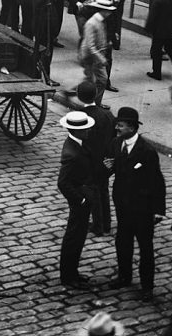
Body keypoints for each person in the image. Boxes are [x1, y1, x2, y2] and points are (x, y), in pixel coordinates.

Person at [106, 106, 166, 301]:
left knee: (145, 247)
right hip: (123, 205)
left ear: (131, 127)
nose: (117, 127)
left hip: (142, 208)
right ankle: (124, 276)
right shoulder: (116, 143)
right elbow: (112, 168)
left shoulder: (147, 151)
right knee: (122, 241)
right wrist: (107, 168)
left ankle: (147, 286)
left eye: (120, 125)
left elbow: (157, 182)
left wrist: (158, 211)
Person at [57, 108, 96, 288]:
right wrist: (80, 200)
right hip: (79, 200)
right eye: (85, 129)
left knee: (78, 237)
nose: (89, 131)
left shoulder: (79, 143)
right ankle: (68, 276)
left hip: (84, 196)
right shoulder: (71, 154)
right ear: (77, 130)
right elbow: (63, 183)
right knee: (73, 237)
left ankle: (73, 272)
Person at [73, 80, 116, 237]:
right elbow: (113, 138)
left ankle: (98, 225)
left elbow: (78, 142)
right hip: (105, 161)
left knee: (94, 193)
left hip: (90, 161)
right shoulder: (107, 115)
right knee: (103, 190)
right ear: (96, 94)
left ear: (79, 96)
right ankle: (107, 223)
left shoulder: (80, 116)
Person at [79, 0, 117, 103]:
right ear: (104, 11)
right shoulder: (91, 23)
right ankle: (95, 102)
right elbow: (90, 46)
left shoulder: (100, 21)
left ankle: (94, 102)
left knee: (91, 80)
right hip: (90, 57)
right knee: (100, 80)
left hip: (97, 55)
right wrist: (101, 58)